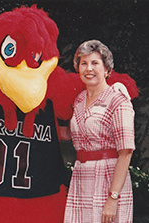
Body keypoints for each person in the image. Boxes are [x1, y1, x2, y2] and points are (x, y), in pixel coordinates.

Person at [63, 40, 135, 223]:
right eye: (83, 63)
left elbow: (125, 153)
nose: (89, 69)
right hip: (81, 178)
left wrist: (113, 198)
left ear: (106, 70)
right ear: (77, 68)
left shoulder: (118, 101)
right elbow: (70, 136)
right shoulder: (78, 100)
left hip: (108, 179)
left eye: (95, 63)